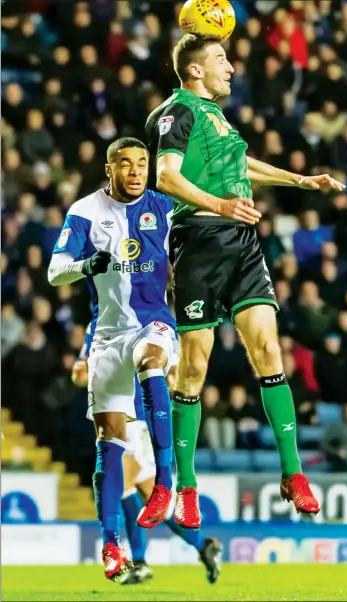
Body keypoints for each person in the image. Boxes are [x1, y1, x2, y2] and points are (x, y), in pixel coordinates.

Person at [145, 34, 346, 528]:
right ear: (194, 71)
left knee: (269, 352)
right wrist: (219, 205)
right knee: (193, 367)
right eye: (220, 60)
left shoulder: (216, 116)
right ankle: (186, 485)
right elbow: (166, 177)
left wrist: (300, 181)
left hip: (242, 242)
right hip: (198, 242)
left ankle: (293, 473)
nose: (231, 68)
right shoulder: (174, 113)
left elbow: (243, 166)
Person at [48, 138, 176, 582]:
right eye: (127, 163)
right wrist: (87, 265)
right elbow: (54, 270)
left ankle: (165, 481)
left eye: (143, 163)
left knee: (153, 359)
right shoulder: (85, 211)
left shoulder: (164, 205)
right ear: (109, 169)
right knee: (109, 444)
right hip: (106, 337)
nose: (137, 171)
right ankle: (110, 545)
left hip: (152, 323)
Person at [72, 339, 221, 585]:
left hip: (137, 422)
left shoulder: (153, 323)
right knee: (150, 501)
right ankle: (202, 544)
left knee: (124, 486)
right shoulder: (98, 325)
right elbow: (80, 373)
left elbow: (173, 373)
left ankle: (140, 562)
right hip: (112, 416)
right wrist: (85, 373)